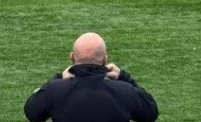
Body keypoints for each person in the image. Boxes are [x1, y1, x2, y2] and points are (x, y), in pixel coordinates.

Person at [23, 32, 158, 122]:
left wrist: (58, 78)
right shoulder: (125, 91)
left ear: (72, 58)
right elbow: (151, 112)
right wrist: (123, 77)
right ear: (105, 60)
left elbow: (32, 113)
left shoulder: (55, 90)